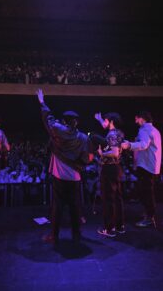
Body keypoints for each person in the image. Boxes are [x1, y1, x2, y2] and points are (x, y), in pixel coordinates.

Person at [37, 89, 92, 245]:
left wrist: (42, 102)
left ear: (64, 121)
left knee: (57, 206)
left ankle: (54, 236)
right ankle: (77, 235)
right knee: (75, 206)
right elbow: (86, 159)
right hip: (75, 177)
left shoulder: (57, 129)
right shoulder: (82, 137)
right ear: (76, 122)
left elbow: (48, 118)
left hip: (59, 176)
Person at [121, 111, 162, 227]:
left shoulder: (144, 130)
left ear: (142, 119)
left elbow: (143, 144)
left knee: (146, 193)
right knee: (148, 192)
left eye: (137, 119)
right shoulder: (155, 130)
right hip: (152, 166)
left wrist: (129, 145)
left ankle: (149, 218)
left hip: (146, 166)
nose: (135, 121)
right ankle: (149, 215)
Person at [94, 112, 125, 237]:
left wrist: (101, 153)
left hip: (109, 169)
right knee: (117, 198)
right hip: (117, 168)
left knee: (108, 199)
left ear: (111, 121)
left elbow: (115, 152)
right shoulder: (119, 133)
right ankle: (119, 226)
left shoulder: (112, 134)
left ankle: (109, 229)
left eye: (106, 121)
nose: (104, 124)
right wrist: (100, 119)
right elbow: (105, 126)